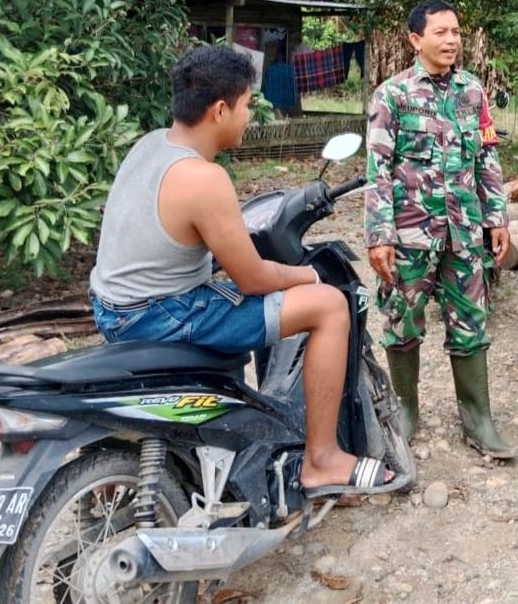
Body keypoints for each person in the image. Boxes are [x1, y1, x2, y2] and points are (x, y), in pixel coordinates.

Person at [89, 45, 392, 497]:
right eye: (247, 105)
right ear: (219, 110)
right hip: (162, 316)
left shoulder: (149, 145)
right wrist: (310, 276)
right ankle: (322, 460)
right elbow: (253, 279)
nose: (250, 116)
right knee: (329, 306)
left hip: (111, 308)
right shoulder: (204, 179)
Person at [365, 0, 516, 460]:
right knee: (402, 322)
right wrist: (380, 236)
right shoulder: (393, 95)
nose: (451, 40)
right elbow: (377, 170)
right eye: (441, 32)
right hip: (411, 234)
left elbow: (487, 158)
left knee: (471, 323)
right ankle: (405, 412)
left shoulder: (473, 91)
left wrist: (497, 217)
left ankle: (478, 420)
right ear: (416, 39)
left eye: (456, 32)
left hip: (464, 233)